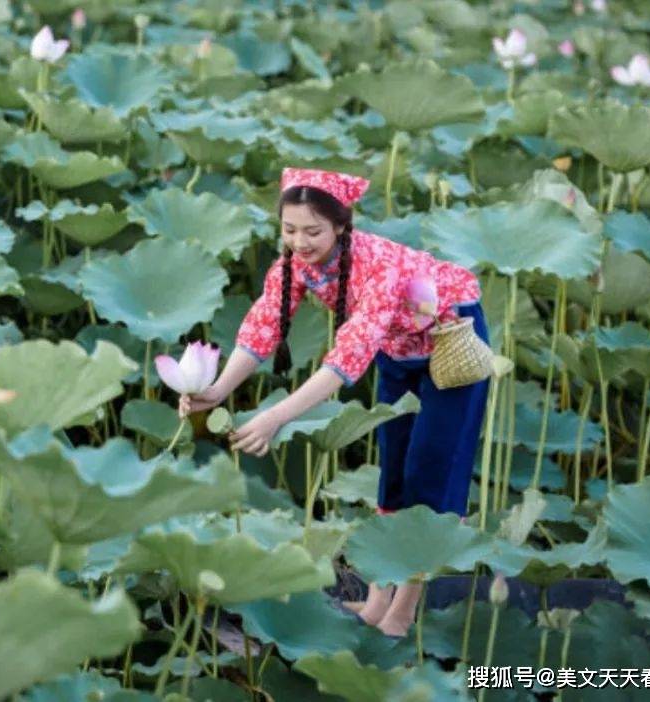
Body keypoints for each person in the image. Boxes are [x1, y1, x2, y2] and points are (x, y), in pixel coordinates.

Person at [178, 167, 490, 637]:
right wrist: (215, 392)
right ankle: (378, 597)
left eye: (313, 231)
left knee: (430, 471)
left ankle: (402, 613)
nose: (299, 242)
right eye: (289, 230)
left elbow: (344, 363)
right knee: (394, 469)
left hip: (450, 343)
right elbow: (261, 331)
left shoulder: (378, 269)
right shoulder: (292, 266)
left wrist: (274, 418)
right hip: (398, 350)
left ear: (341, 226)